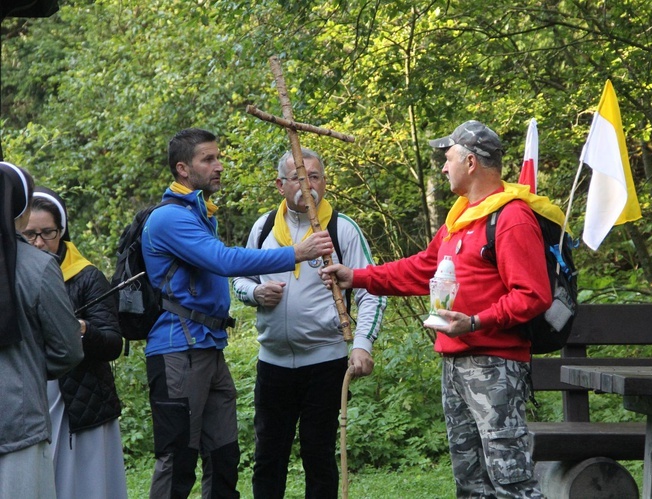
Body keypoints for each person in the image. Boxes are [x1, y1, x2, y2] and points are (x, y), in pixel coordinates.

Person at [322, 120, 567, 498]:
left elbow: (533, 295)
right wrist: (356, 276)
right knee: (470, 483)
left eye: (448, 157)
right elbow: (422, 268)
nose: (443, 166)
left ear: (470, 162)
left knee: (511, 481)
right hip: (454, 365)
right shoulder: (459, 218)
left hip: (495, 367)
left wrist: (474, 322)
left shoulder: (511, 217)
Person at [142, 128, 334, 499]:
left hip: (209, 348)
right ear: (183, 169)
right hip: (177, 350)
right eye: (208, 160)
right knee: (178, 458)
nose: (219, 166)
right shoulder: (170, 218)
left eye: (218, 157)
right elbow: (224, 261)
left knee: (224, 455)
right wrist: (296, 252)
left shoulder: (199, 213)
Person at [232, 148, 386, 498]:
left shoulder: (341, 229)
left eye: (314, 176)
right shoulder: (264, 227)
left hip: (325, 363)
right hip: (272, 364)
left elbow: (372, 291)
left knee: (319, 458)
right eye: (299, 177)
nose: (308, 185)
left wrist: (362, 344)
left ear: (325, 182)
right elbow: (238, 281)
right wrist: (256, 293)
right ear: (280, 185)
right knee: (268, 458)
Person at [22, 187, 127, 499]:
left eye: (48, 233)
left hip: (81, 399)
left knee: (86, 484)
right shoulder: (15, 274)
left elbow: (112, 343)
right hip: (31, 395)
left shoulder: (86, 277)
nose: (39, 242)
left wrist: (80, 328)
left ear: (62, 231)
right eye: (29, 234)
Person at [0, 163, 84, 498]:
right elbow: (68, 349)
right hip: (20, 422)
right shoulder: (38, 267)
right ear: (20, 208)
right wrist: (30, 369)